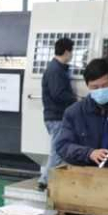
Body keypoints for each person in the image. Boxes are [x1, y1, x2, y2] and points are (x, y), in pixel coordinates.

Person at [38, 38, 77, 189]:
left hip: (55, 116)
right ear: (66, 52)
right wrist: (76, 100)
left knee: (59, 148)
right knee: (57, 150)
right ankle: (44, 181)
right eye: (71, 51)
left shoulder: (58, 69)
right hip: (56, 117)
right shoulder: (56, 70)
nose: (72, 55)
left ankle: (51, 179)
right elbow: (58, 94)